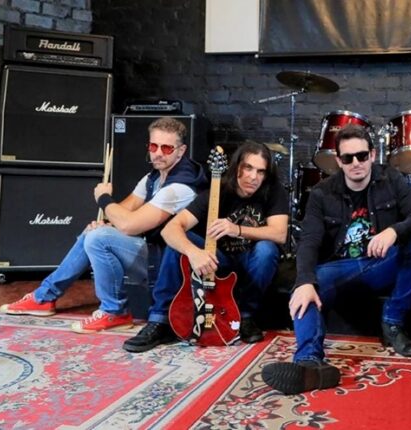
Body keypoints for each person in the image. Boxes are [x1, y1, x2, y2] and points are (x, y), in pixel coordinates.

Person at [262, 124, 411, 394]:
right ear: (338, 161)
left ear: (373, 154)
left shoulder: (390, 179)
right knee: (305, 288)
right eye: (348, 158)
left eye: (362, 156)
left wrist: (394, 231)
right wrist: (305, 281)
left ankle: (392, 322)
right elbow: (309, 241)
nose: (356, 163)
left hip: (382, 266)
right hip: (340, 270)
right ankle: (309, 365)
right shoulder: (321, 193)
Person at [0, 117, 207, 333]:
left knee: (98, 238)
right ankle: (44, 297)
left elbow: (128, 224)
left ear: (181, 151)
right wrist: (105, 223)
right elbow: (124, 211)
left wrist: (104, 199)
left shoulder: (180, 187)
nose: (158, 153)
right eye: (153, 146)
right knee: (95, 232)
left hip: (171, 264)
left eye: (166, 148)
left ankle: (114, 311)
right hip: (154, 253)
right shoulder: (153, 177)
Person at [122, 142, 288, 352]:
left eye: (260, 171)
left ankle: (245, 317)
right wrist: (193, 252)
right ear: (237, 167)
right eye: (248, 168)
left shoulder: (272, 192)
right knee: (179, 241)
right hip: (218, 261)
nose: (253, 177)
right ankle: (160, 320)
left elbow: (279, 233)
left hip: (250, 264)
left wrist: (236, 229)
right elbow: (169, 229)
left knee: (267, 249)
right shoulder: (218, 191)